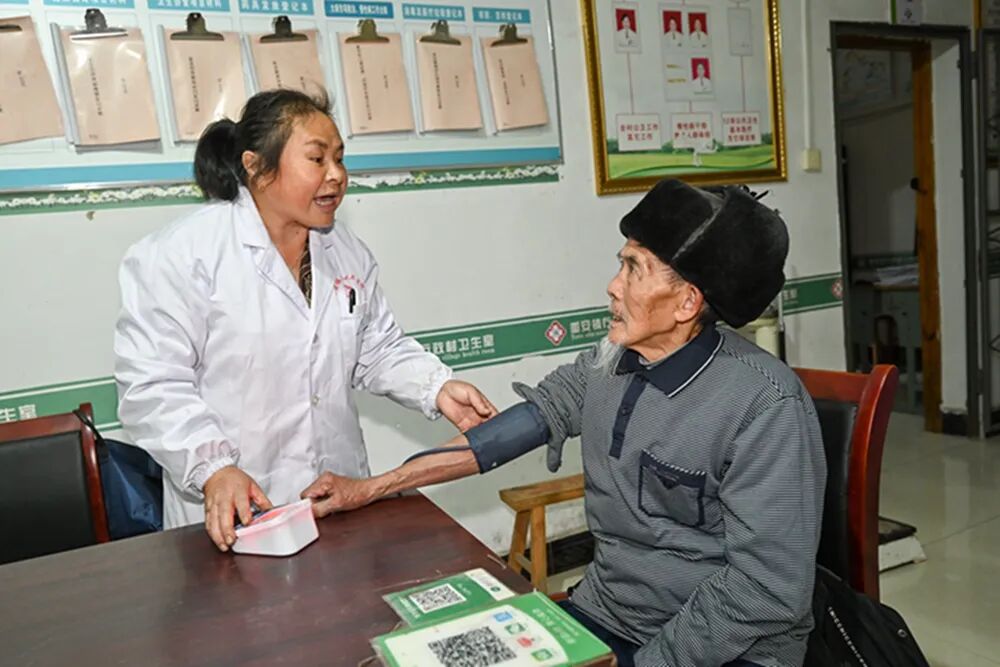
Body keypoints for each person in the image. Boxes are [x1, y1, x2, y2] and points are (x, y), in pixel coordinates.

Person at [299, 179, 826, 667]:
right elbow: (514, 430)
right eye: (620, 265)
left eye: (634, 269)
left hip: (723, 647)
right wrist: (374, 486)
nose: (612, 286)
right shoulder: (609, 362)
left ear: (688, 301)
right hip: (608, 617)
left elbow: (765, 590)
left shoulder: (765, 404)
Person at [114, 89, 497, 551]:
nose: (336, 175)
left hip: (333, 500)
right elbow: (152, 386)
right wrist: (213, 468)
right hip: (233, 513)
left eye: (339, 159)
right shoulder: (182, 255)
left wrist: (435, 386)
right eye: (317, 159)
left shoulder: (345, 251)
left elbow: (376, 349)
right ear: (256, 167)